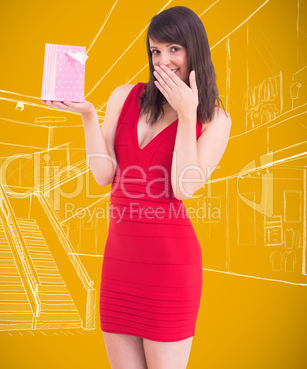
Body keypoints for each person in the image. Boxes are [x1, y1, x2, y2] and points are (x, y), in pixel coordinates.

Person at [43, 5, 231, 369]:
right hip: (119, 266)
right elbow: (103, 175)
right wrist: (87, 116)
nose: (163, 60)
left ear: (194, 49)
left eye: (174, 49)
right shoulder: (124, 97)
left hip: (170, 269)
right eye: (156, 51)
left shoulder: (214, 118)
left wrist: (187, 113)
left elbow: (182, 187)